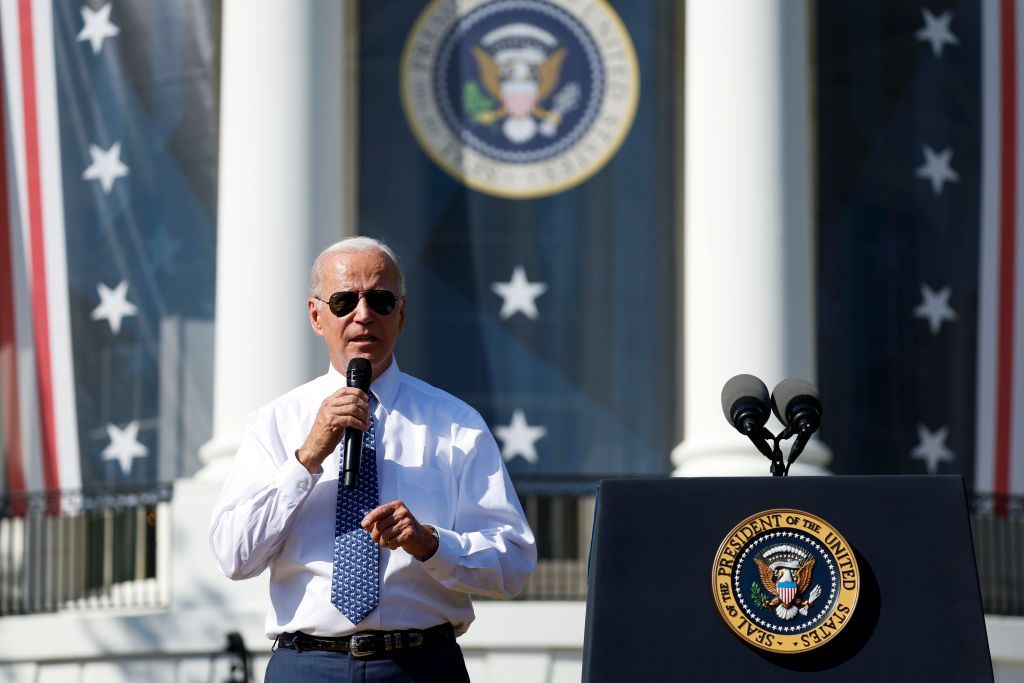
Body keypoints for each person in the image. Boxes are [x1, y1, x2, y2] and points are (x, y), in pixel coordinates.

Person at [209, 237, 536, 682]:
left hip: (420, 665)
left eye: (380, 300)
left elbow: (513, 563)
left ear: (401, 315)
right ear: (316, 315)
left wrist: (432, 544)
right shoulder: (275, 423)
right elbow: (234, 555)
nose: (363, 315)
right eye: (344, 301)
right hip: (307, 666)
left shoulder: (456, 423)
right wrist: (306, 458)